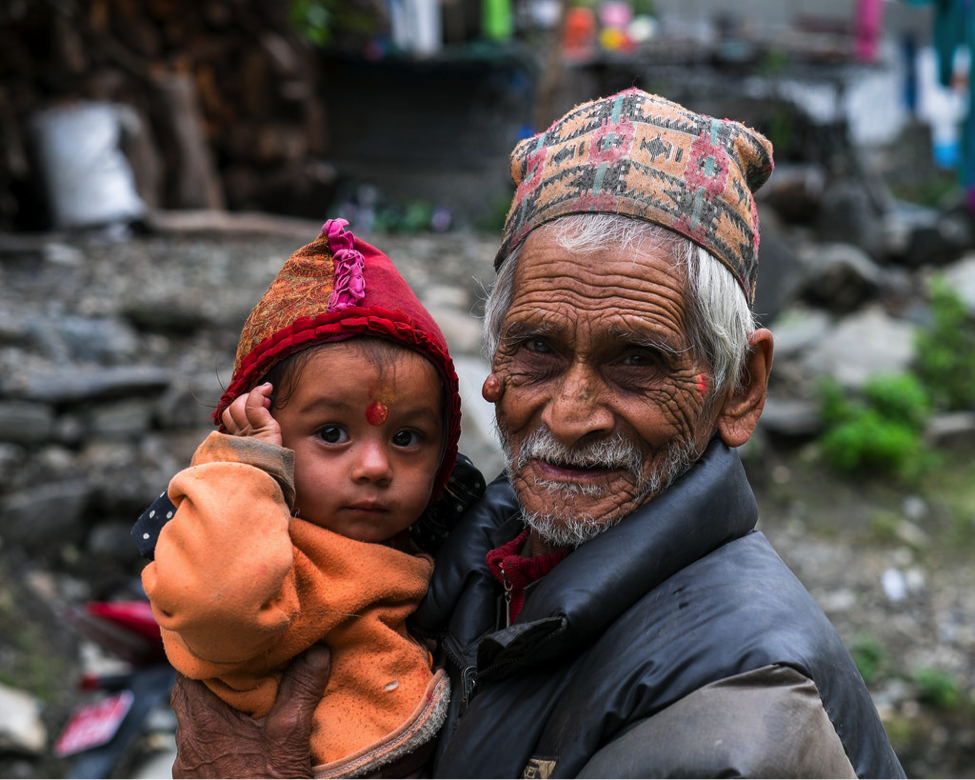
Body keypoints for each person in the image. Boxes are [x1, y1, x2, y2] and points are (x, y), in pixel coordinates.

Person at [148, 89, 907, 779]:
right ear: (491, 360)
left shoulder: (742, 717)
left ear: (739, 388)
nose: (569, 416)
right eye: (537, 348)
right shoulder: (466, 561)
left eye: (635, 361)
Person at [138, 218, 483, 780]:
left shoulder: (439, 544)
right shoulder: (248, 541)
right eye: (331, 434)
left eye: (407, 438)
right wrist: (245, 473)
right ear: (266, 433)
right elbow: (221, 608)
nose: (375, 467)